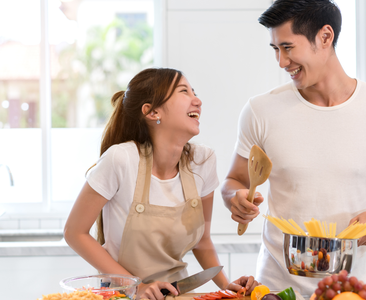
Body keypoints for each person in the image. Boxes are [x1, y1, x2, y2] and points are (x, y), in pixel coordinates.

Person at [221, 0, 366, 295]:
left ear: (325, 37)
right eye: (275, 49)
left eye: (288, 47)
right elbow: (234, 181)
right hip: (275, 290)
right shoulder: (260, 111)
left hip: (351, 290)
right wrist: (235, 198)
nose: (281, 61)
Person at [64, 68, 259, 300]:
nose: (198, 101)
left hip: (178, 293)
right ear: (152, 111)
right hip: (123, 294)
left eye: (194, 92)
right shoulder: (121, 160)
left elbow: (202, 241)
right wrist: (136, 287)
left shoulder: (202, 161)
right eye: (184, 91)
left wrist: (227, 286)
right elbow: (74, 232)